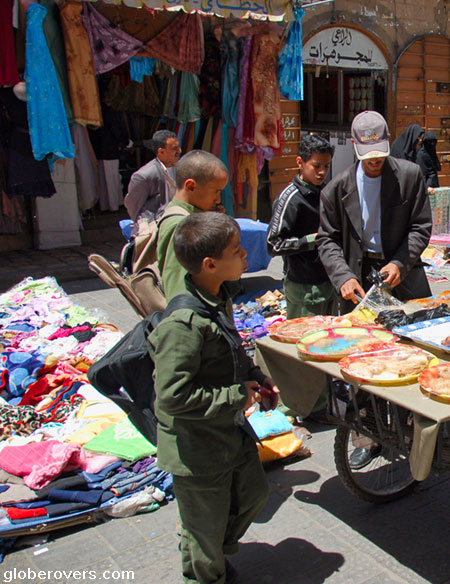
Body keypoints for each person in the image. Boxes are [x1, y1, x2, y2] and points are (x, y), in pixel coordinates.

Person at [148, 212, 277, 584]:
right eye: (237, 251)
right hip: (196, 448)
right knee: (204, 531)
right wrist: (236, 396)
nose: (245, 258)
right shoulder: (183, 325)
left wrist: (256, 378)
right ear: (210, 264)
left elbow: (231, 353)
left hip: (226, 433)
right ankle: (205, 570)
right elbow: (171, 397)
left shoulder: (217, 298)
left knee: (252, 493)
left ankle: (210, 551)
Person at [318, 110, 432, 306]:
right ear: (354, 144)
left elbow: (420, 227)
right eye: (367, 154)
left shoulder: (409, 176)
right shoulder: (335, 190)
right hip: (359, 277)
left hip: (402, 274)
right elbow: (327, 239)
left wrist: (399, 263)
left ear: (388, 140)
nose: (374, 160)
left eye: (379, 152)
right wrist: (343, 276)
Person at [267, 134, 337, 319]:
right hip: (304, 287)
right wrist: (310, 240)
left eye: (326, 166)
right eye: (316, 166)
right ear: (300, 162)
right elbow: (273, 244)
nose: (322, 172)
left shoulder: (326, 192)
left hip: (329, 281)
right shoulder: (290, 198)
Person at [158, 150, 230, 301]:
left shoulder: (193, 218)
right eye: (216, 192)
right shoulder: (180, 225)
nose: (218, 200)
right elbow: (177, 291)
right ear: (190, 187)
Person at [124, 130, 182, 222]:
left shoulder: (181, 168)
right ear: (161, 152)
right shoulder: (144, 176)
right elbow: (133, 206)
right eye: (175, 148)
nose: (179, 151)